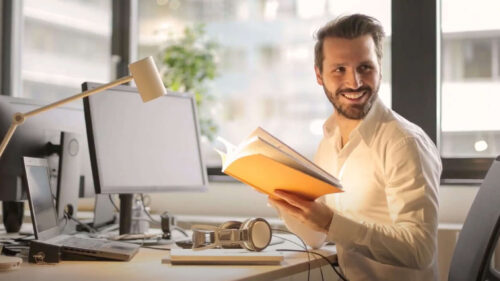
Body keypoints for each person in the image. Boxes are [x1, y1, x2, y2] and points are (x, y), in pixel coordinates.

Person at [268, 14, 441, 281]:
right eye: (340, 69)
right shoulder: (328, 140)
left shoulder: (404, 143)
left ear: (379, 68)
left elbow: (420, 249)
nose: (355, 82)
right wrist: (286, 203)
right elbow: (316, 238)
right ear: (319, 75)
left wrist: (330, 222)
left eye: (365, 68)